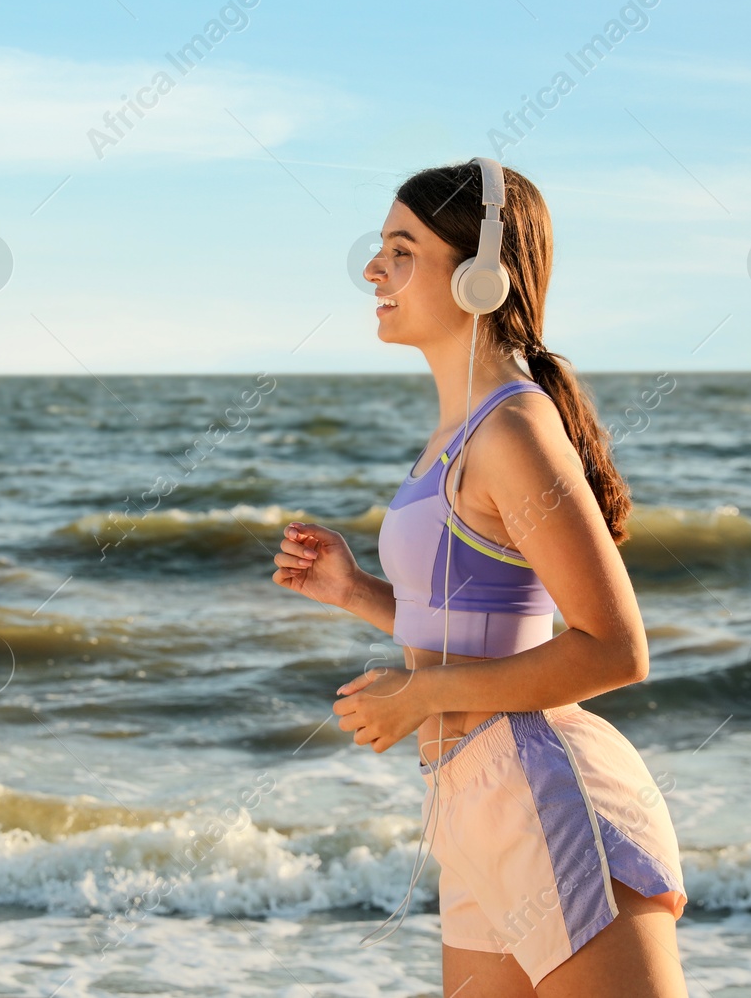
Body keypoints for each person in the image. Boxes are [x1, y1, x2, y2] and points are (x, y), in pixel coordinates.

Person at [272, 160, 689, 997]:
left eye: (401, 249)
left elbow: (614, 649)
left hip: (540, 789)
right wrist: (356, 593)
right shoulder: (456, 432)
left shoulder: (513, 428)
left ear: (479, 275)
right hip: (467, 802)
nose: (373, 270)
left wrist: (421, 697)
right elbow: (480, 624)